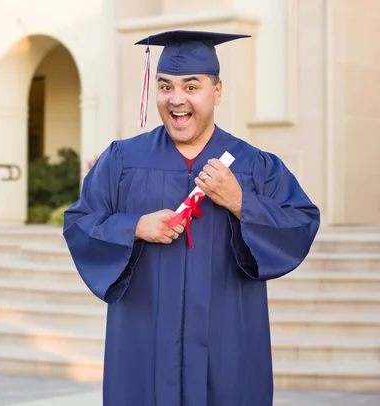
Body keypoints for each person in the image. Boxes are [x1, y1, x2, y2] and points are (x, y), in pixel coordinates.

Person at [62, 30, 321, 406]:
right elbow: (79, 222)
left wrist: (240, 202)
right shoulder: (123, 159)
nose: (176, 99)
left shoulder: (253, 165)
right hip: (145, 341)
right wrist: (134, 227)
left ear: (217, 92)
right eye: (165, 86)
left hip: (226, 342)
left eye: (191, 86)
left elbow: (301, 221)